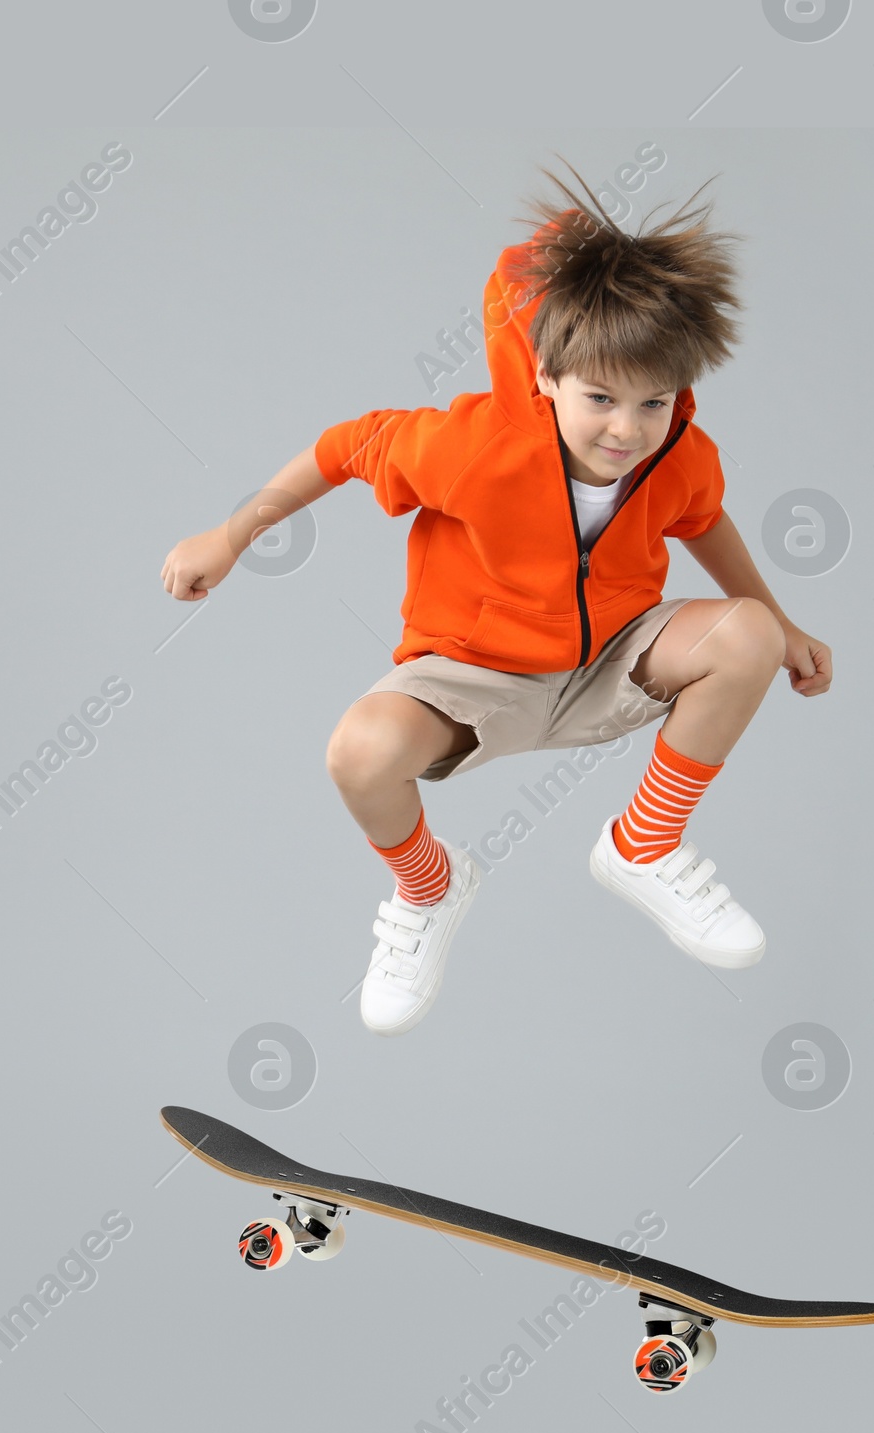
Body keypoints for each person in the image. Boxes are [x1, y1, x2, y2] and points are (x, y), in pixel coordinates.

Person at [160, 159, 833, 1036]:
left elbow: (705, 523)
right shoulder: (471, 449)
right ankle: (430, 889)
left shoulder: (680, 456)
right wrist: (230, 535)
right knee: (359, 753)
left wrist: (779, 624)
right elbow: (343, 448)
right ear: (546, 378)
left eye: (652, 402)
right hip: (478, 675)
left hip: (614, 659)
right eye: (599, 398)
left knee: (745, 636)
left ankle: (644, 845)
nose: (626, 429)